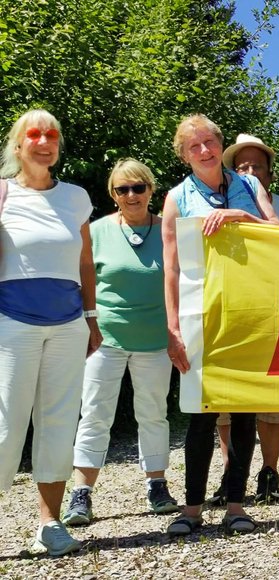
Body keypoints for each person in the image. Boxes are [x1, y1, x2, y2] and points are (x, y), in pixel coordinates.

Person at [162, 114, 279, 537]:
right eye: (194, 146)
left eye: (209, 141)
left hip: (249, 311)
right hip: (201, 317)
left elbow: (278, 233)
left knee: (244, 411)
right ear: (184, 155)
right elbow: (171, 268)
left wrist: (239, 216)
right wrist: (173, 329)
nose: (204, 151)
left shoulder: (249, 185)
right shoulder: (176, 197)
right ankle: (191, 509)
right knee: (201, 415)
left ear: (220, 142)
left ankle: (236, 505)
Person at [0, 109, 102, 556]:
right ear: (18, 145)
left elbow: (85, 262)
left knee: (59, 422)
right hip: (12, 323)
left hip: (68, 326)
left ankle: (49, 523)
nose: (45, 142)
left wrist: (91, 317)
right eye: (35, 134)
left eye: (53, 135)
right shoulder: (3, 194)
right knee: (6, 426)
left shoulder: (76, 197)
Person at [62, 159, 178, 528]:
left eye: (138, 187)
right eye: (122, 189)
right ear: (113, 194)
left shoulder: (169, 230)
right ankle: (81, 492)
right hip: (105, 339)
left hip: (155, 340)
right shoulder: (96, 231)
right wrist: (88, 323)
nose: (131, 195)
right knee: (95, 413)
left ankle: (157, 485)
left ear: (151, 189)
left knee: (153, 413)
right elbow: (81, 280)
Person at [205, 133, 279, 505]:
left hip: (274, 311)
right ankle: (231, 472)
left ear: (270, 173)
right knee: (226, 401)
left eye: (257, 166)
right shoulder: (211, 202)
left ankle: (269, 472)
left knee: (273, 398)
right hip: (228, 312)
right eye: (242, 166)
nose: (249, 171)